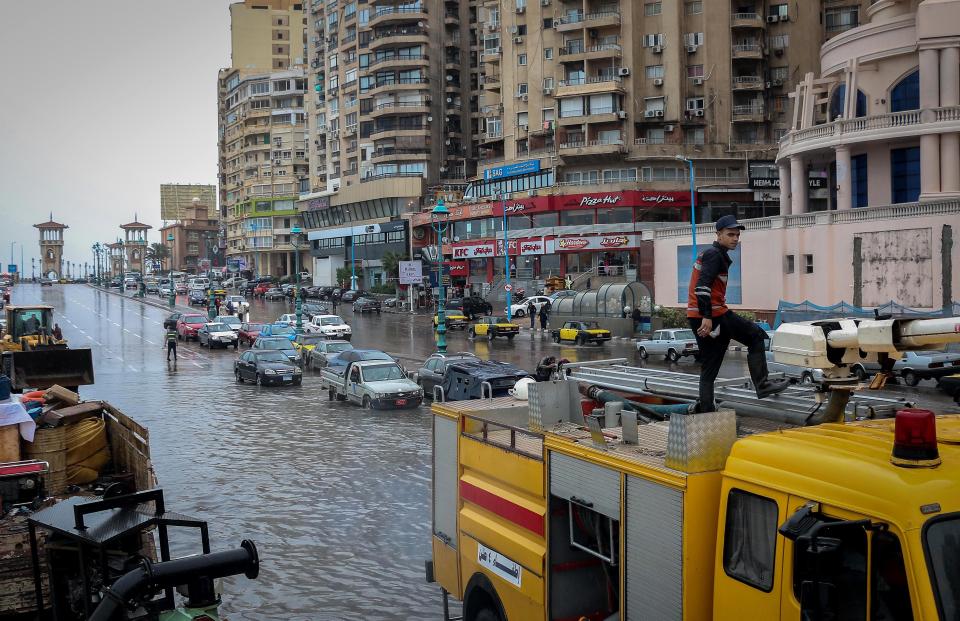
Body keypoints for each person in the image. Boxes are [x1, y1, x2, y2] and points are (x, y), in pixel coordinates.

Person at [687, 215, 788, 413]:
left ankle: (707, 410)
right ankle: (763, 384)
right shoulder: (714, 255)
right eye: (730, 234)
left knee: (710, 367)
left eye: (737, 235)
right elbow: (702, 287)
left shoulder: (714, 254)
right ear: (718, 235)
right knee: (756, 335)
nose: (735, 238)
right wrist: (707, 317)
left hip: (698, 316)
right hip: (713, 315)